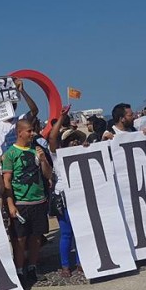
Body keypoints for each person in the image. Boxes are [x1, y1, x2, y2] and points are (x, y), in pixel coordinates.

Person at [2, 119, 51, 285]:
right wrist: (10, 204)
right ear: (20, 132)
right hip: (21, 203)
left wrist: (43, 160)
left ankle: (32, 267)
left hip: (38, 200)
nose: (32, 134)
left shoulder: (37, 150)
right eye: (29, 131)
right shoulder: (10, 154)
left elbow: (48, 175)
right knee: (20, 239)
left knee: (36, 237)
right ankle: (19, 269)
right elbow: (7, 181)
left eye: (33, 131)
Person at [48, 108, 81, 278]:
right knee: (67, 232)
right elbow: (52, 137)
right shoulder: (57, 155)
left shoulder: (81, 153)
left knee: (81, 230)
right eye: (70, 140)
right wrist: (61, 117)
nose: (74, 142)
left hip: (79, 196)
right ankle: (65, 265)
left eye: (76, 140)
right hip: (63, 198)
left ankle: (81, 262)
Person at [0, 78, 40, 155]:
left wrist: (22, 91)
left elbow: (34, 111)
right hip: (7, 159)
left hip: (24, 156)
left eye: (13, 104)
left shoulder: (20, 120)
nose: (12, 107)